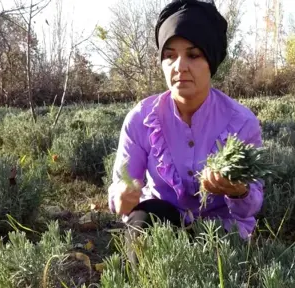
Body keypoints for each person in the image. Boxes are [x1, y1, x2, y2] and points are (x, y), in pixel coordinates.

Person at [107, 0, 264, 262]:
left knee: (217, 278)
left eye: (193, 55)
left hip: (220, 231)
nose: (179, 66)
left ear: (211, 61)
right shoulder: (141, 119)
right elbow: (121, 185)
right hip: (163, 223)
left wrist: (238, 190)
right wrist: (122, 195)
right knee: (144, 218)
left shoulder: (242, 123)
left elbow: (252, 205)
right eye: (169, 55)